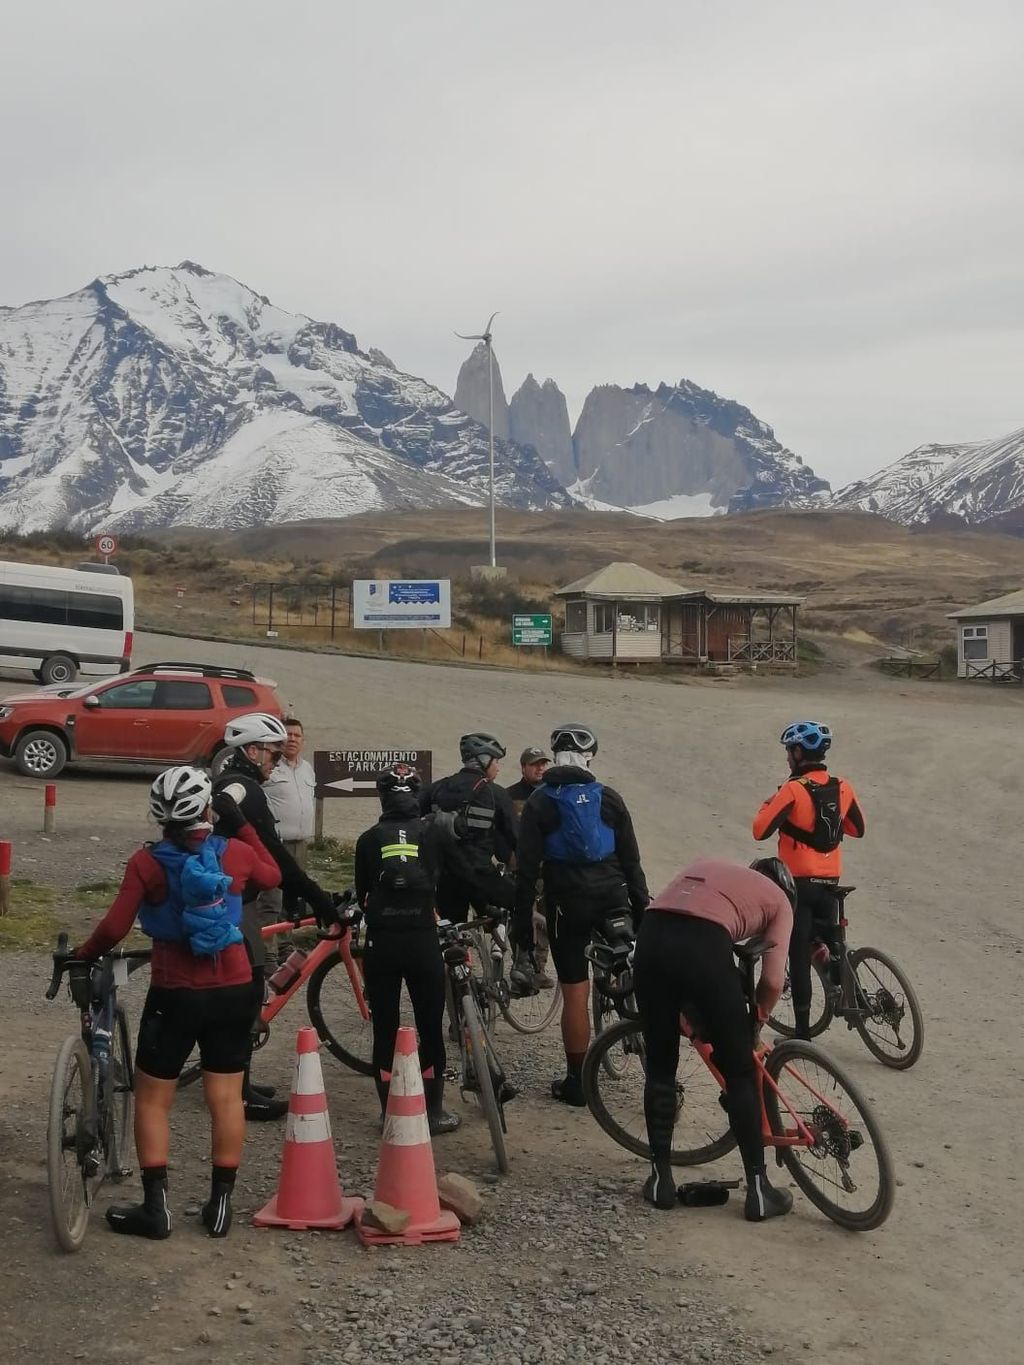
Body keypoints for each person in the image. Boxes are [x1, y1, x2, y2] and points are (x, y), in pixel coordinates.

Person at [72, 766, 280, 1239]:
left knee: (152, 1098)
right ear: (208, 808)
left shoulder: (146, 864)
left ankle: (156, 1209)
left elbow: (114, 928)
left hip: (176, 992)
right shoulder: (237, 853)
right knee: (226, 1097)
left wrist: (84, 955)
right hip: (235, 989)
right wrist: (242, 824)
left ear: (159, 816)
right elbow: (271, 875)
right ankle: (220, 1206)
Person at [634, 856, 796, 1221]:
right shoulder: (781, 902)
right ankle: (758, 1191)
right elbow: (771, 983)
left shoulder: (717, 870)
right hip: (704, 945)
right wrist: (755, 1021)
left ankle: (661, 1181)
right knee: (738, 1071)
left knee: (660, 1068)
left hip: (652, 933)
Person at [212, 712, 341, 1119]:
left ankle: (237, 1081)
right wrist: (319, 898)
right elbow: (276, 856)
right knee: (249, 990)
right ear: (252, 751)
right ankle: (239, 1093)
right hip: (236, 904)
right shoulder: (246, 790)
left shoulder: (226, 782)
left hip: (225, 899)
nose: (276, 759)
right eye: (271, 752)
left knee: (236, 994)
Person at [512, 723, 649, 1106]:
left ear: (554, 758)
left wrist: (521, 924)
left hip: (566, 902)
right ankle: (659, 1076)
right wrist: (643, 911)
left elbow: (526, 871)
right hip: (613, 896)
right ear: (590, 758)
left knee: (575, 991)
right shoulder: (609, 799)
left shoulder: (540, 801)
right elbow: (632, 862)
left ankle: (577, 1083)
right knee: (633, 976)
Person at [355, 764, 460, 1135]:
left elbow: (362, 892)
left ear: (383, 797)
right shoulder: (431, 834)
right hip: (421, 938)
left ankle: (389, 1113)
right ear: (414, 797)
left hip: (382, 942)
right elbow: (453, 878)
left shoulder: (368, 839)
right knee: (429, 1026)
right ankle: (432, 1112)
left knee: (385, 1027)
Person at [752, 722, 865, 1040]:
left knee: (797, 953)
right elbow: (857, 829)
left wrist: (770, 804)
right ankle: (845, 984)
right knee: (829, 938)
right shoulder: (842, 786)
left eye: (789, 751)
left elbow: (759, 830)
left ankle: (802, 1032)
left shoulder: (792, 790)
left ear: (799, 753)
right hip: (831, 881)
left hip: (799, 885)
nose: (788, 757)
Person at [420, 732, 519, 923]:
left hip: (446, 880)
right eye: (496, 761)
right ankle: (505, 950)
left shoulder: (438, 788)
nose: (498, 767)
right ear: (484, 760)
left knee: (451, 932)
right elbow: (517, 838)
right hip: (481, 877)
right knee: (521, 905)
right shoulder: (495, 793)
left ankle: (459, 951)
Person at [258, 716, 316, 963]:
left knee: (292, 898)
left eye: (297, 736)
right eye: (288, 735)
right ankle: (267, 951)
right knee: (271, 898)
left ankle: (284, 944)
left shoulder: (307, 768)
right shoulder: (270, 767)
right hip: (274, 844)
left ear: (303, 741)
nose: (292, 739)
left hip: (300, 844)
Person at [503, 746, 554, 990]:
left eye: (544, 763)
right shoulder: (509, 795)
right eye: (535, 764)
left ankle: (538, 969)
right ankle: (520, 967)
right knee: (521, 918)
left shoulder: (553, 795)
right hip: (519, 870)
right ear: (523, 767)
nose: (540, 768)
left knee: (546, 921)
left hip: (548, 869)